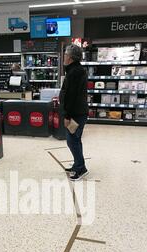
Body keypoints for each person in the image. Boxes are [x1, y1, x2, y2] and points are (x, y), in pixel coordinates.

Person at [59, 44, 89, 181]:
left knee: (72, 140)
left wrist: (67, 115)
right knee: (75, 140)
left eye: (65, 54)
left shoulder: (74, 72)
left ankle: (80, 169)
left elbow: (71, 96)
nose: (64, 57)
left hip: (75, 114)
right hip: (78, 113)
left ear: (70, 58)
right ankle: (78, 165)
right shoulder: (75, 70)